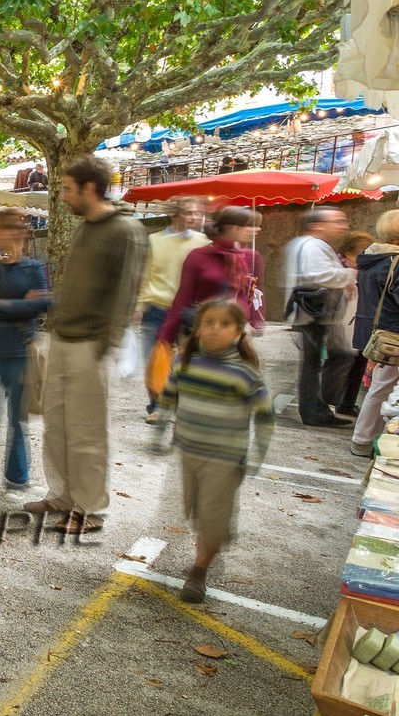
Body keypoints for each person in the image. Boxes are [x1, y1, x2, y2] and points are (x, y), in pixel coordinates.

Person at [29, 156, 147, 534]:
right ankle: (62, 495)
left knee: (87, 429)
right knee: (56, 425)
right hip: (64, 337)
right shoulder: (82, 228)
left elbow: (127, 294)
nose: (62, 195)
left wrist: (105, 347)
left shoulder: (126, 231)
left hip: (92, 345)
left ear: (89, 189)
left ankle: (90, 508)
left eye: (67, 188)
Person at [155, 299, 274, 603]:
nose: (214, 329)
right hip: (189, 453)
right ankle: (218, 529)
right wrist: (159, 430)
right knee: (195, 511)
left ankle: (198, 571)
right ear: (196, 329)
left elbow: (264, 415)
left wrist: (257, 452)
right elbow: (168, 397)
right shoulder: (183, 362)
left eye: (224, 324)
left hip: (225, 458)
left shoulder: (245, 373)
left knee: (210, 518)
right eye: (208, 323)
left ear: (238, 332)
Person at [0, 209, 51, 500]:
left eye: (4, 230)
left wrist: (2, 304)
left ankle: (18, 477)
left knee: (18, 419)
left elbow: (43, 305)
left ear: (18, 234)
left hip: (19, 348)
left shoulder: (34, 268)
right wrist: (20, 303)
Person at [135, 198, 209, 421]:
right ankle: (156, 406)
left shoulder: (204, 241)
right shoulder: (154, 240)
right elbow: (146, 274)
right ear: (175, 215)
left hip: (189, 310)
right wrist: (139, 307)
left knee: (189, 362)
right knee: (154, 360)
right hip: (157, 307)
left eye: (198, 213)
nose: (194, 217)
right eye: (189, 212)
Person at [285, 207, 358, 427]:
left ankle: (319, 407)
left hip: (313, 312)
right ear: (317, 225)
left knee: (317, 362)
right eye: (337, 221)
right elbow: (320, 274)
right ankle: (315, 411)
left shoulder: (307, 244)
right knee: (314, 364)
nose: (343, 226)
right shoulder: (312, 245)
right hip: (314, 313)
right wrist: (350, 274)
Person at [156, 207, 264, 348]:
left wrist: (256, 321)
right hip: (203, 332)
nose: (258, 229)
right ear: (233, 228)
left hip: (236, 333)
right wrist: (165, 338)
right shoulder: (199, 255)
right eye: (252, 225)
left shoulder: (250, 257)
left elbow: (254, 293)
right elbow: (183, 298)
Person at [353, 213, 399, 455]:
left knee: (380, 388)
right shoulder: (395, 261)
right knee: (383, 388)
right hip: (393, 334)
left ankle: (362, 440)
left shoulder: (373, 257)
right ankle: (367, 440)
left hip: (378, 333)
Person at [339, 231, 377, 418]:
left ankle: (347, 403)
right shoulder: (342, 272)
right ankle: (338, 401)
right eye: (359, 254)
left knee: (359, 365)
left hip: (362, 325)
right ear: (347, 254)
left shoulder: (367, 271)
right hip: (344, 326)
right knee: (342, 365)